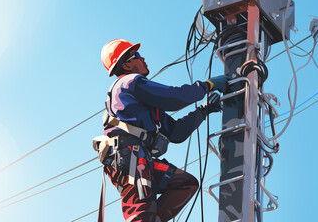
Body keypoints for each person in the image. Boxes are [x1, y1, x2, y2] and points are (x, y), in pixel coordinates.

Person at [95, 39, 230, 222]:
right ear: (126, 64)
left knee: (185, 184)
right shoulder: (129, 83)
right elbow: (175, 97)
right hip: (131, 158)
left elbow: (176, 132)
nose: (143, 60)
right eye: (138, 56)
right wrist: (208, 85)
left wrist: (203, 111)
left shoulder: (143, 106)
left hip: (139, 158)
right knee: (140, 214)